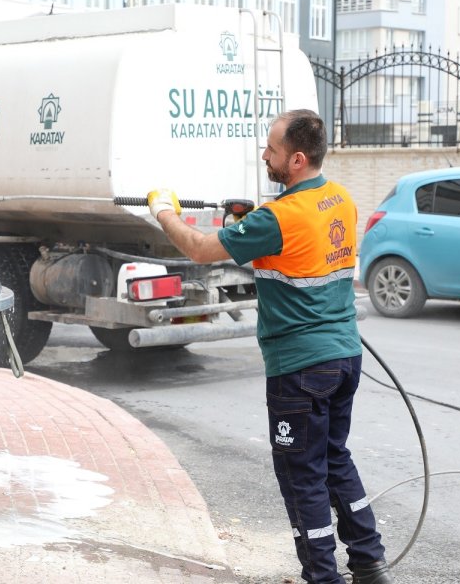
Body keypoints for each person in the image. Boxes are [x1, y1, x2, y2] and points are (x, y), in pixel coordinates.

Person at [146, 109, 394, 584]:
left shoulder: (277, 217)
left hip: (299, 368)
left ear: (297, 159)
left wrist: (163, 211)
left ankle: (323, 577)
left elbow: (198, 249)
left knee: (302, 476)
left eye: (272, 150)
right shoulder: (339, 199)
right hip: (344, 356)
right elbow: (294, 244)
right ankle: (369, 561)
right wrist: (246, 224)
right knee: (334, 457)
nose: (265, 154)